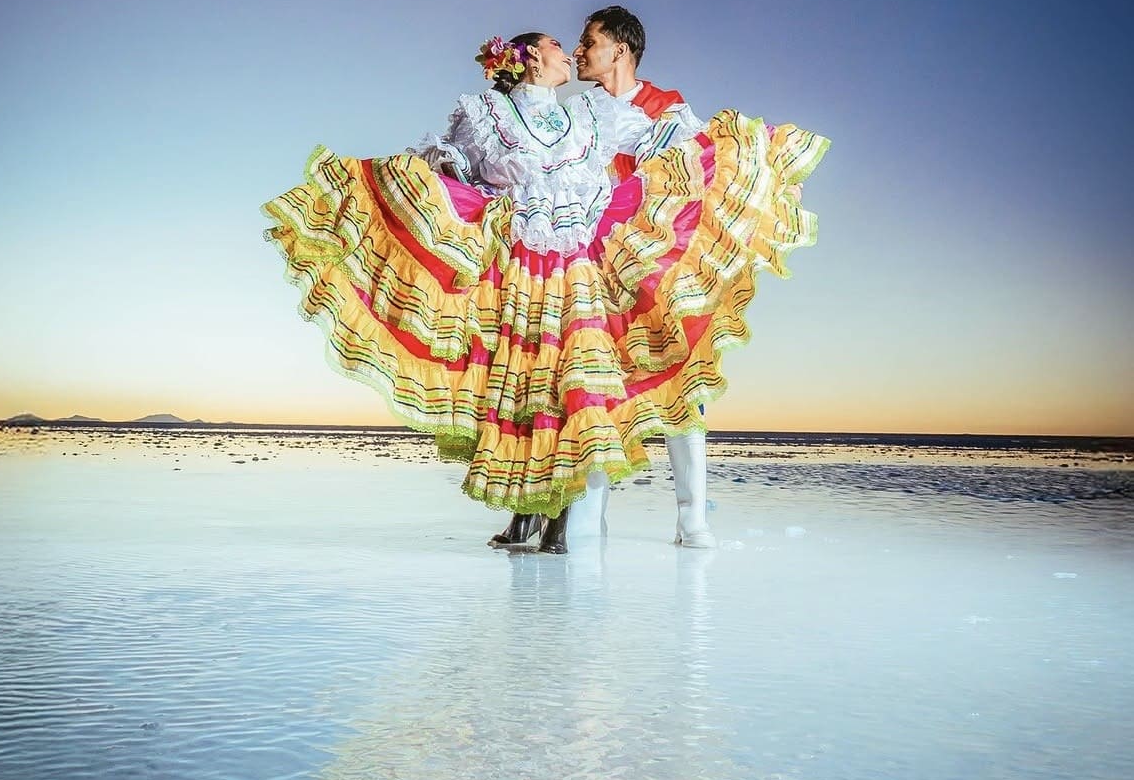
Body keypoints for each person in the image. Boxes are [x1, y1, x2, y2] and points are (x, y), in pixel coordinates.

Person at [262, 29, 828, 554]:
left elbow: (668, 138)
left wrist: (747, 158)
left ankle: (568, 514)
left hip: (580, 263)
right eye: (560, 45)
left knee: (569, 382)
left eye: (579, 43)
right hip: (518, 263)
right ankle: (532, 508)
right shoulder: (483, 114)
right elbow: (448, 166)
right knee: (521, 383)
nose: (570, 53)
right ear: (532, 56)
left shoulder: (588, 114)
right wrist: (424, 193)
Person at [572, 5, 716, 548]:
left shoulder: (666, 108)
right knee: (594, 384)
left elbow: (695, 175)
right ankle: (590, 518)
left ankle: (692, 518)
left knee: (680, 375)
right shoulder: (578, 112)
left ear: (620, 49)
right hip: (593, 263)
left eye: (588, 41)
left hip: (656, 262)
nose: (579, 51)